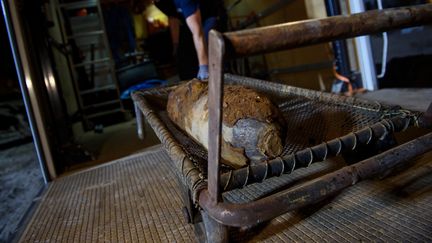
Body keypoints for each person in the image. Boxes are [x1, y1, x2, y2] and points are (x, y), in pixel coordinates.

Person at [152, 0, 226, 81]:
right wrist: (176, 44)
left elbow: (198, 33)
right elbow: (173, 18)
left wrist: (203, 66)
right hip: (188, 17)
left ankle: (215, 79)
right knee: (183, 58)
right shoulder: (158, 2)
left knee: (208, 44)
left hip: (209, 15)